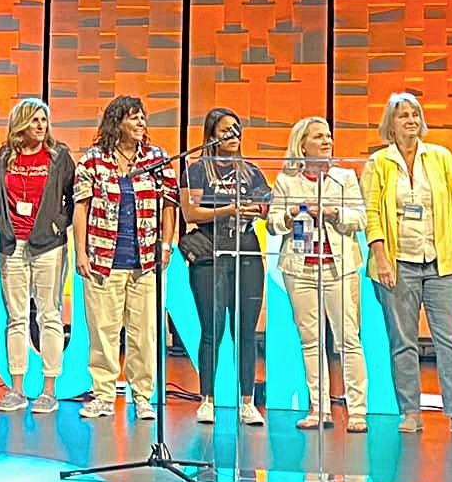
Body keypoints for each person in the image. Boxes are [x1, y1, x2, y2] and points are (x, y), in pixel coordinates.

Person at [362, 91, 452, 438]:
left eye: (415, 115)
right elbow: (370, 213)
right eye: (403, 115)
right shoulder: (378, 162)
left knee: (451, 341)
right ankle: (410, 412)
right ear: (391, 123)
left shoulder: (440, 156)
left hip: (442, 262)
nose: (411, 121)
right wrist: (381, 257)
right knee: (403, 340)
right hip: (397, 263)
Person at [72, 95, 178, 422]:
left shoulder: (156, 158)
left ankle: (142, 397)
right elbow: (81, 207)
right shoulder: (92, 160)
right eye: (134, 117)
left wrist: (166, 245)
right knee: (103, 332)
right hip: (103, 260)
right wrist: (80, 252)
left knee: (144, 333)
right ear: (116, 122)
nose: (141, 122)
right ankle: (103, 396)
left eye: (143, 117)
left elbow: (170, 203)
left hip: (145, 262)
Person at [269, 116, 370, 432]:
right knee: (310, 340)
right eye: (318, 137)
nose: (327, 141)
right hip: (301, 269)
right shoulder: (287, 181)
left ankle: (357, 410)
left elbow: (361, 218)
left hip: (339, 267)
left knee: (348, 339)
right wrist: (291, 213)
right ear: (302, 146)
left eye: (328, 136)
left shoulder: (344, 177)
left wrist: (334, 212)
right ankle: (319, 408)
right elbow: (272, 223)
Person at [180, 106, 270, 427]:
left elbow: (266, 207)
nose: (233, 136)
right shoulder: (197, 171)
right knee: (212, 329)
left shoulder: (252, 171)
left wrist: (254, 209)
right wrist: (229, 209)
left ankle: (247, 402)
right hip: (210, 252)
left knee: (245, 332)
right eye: (226, 130)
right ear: (212, 136)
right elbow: (191, 213)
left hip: (246, 252)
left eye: (237, 129)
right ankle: (207, 399)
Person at [0, 95, 76, 415]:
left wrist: (58, 224)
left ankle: (49, 390)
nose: (40, 126)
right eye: (35, 120)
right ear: (21, 123)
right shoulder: (3, 157)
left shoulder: (59, 156)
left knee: (49, 315)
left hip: (48, 246)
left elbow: (73, 197)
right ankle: (16, 389)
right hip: (12, 246)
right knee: (16, 318)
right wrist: (1, 225)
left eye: (44, 120)